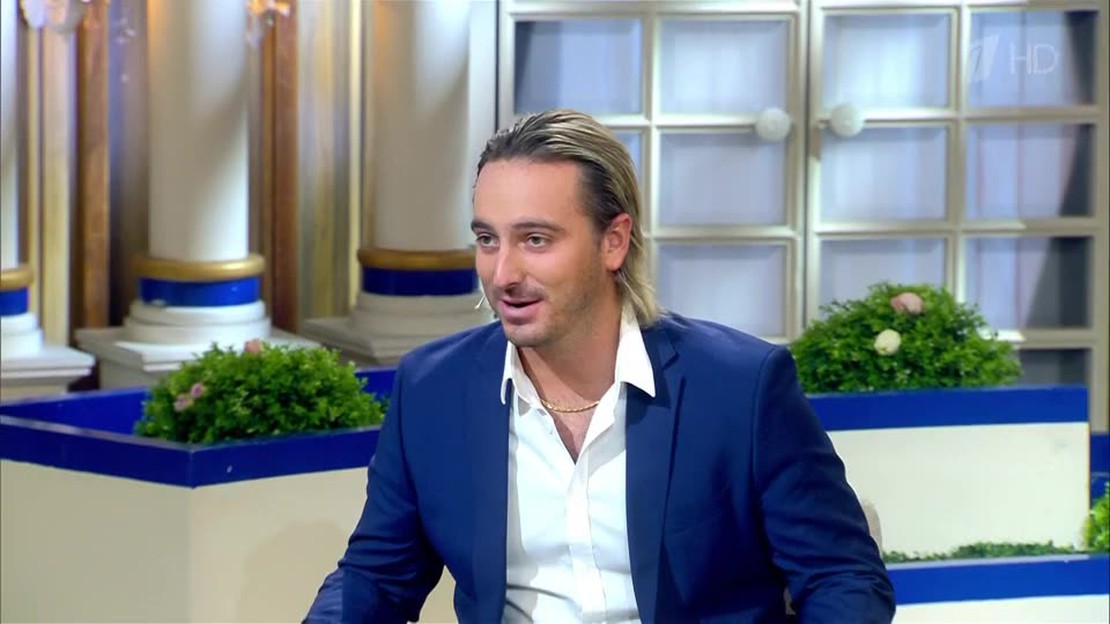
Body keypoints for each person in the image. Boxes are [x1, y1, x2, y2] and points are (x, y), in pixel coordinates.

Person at [307, 109, 895, 623]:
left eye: (535, 240)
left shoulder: (740, 388)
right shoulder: (433, 389)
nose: (503, 274)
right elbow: (376, 577)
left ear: (614, 241)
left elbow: (843, 578)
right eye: (488, 240)